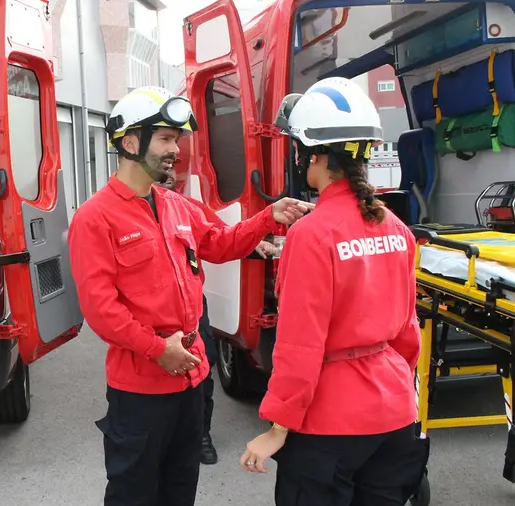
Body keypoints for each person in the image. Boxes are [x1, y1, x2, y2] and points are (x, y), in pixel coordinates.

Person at [68, 85, 313, 506]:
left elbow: (220, 242)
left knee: (181, 489)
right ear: (130, 141)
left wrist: (266, 218)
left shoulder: (176, 205)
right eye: (164, 138)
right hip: (140, 392)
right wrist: (157, 349)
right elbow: (100, 310)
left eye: (176, 140)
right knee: (134, 494)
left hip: (191, 383)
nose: (175, 150)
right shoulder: (95, 218)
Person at [239, 77, 429, 505]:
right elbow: (407, 332)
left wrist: (277, 428)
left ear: (316, 157)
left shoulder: (311, 235)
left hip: (330, 426)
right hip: (395, 413)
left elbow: (299, 344)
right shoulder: (395, 227)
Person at [155, 172, 277, 465]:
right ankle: (158, 438)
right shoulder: (113, 212)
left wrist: (253, 240)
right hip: (151, 317)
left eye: (173, 169)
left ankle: (201, 435)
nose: (169, 174)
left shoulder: (185, 206)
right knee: (152, 380)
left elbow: (220, 234)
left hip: (192, 310)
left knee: (201, 372)